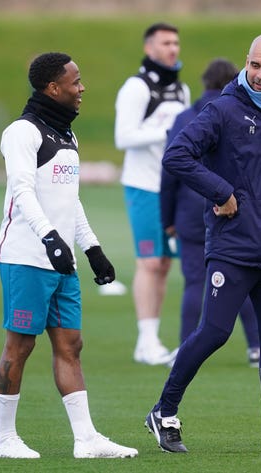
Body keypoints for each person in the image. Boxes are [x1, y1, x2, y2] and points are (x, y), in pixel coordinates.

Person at [145, 33, 261, 454]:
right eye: (255, 66)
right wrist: (221, 193)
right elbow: (177, 155)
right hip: (233, 247)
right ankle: (164, 411)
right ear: (247, 63)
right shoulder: (222, 110)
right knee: (213, 332)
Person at [0, 52, 138, 460]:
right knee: (19, 346)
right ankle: (5, 439)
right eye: (75, 81)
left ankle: (86, 439)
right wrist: (50, 239)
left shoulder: (68, 135)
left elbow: (69, 200)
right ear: (52, 88)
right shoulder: (21, 132)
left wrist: (91, 247)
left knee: (71, 344)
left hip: (61, 261)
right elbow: (22, 192)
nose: (82, 88)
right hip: (25, 258)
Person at [160, 58, 261, 367]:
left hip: (190, 210)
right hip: (236, 208)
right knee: (240, 282)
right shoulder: (245, 114)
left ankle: (184, 350)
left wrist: (168, 219)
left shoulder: (184, 117)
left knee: (194, 281)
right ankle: (257, 347)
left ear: (204, 83)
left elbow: (169, 173)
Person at [115, 22, 190, 366]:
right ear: (149, 48)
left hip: (172, 187)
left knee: (163, 265)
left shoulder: (182, 90)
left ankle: (152, 338)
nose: (172, 48)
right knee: (148, 261)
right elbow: (123, 137)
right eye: (165, 43)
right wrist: (165, 130)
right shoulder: (136, 87)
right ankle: (145, 341)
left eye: (175, 42)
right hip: (143, 186)